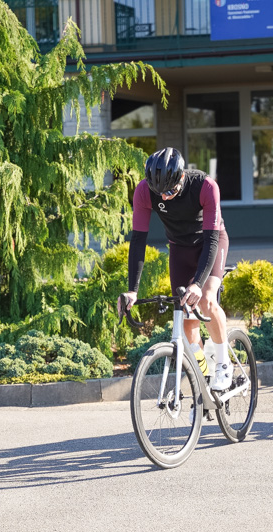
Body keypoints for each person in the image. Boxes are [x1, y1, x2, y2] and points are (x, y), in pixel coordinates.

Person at [118, 147, 234, 391]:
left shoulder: (205, 186)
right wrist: (132, 290)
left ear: (182, 177)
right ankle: (203, 381)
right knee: (185, 321)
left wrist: (197, 284)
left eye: (170, 191)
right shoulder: (143, 191)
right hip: (180, 248)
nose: (165, 197)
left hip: (210, 242)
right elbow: (138, 241)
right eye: (159, 192)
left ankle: (224, 364)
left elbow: (212, 240)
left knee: (206, 301)